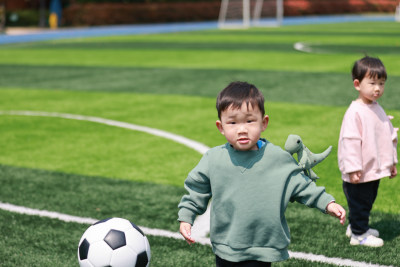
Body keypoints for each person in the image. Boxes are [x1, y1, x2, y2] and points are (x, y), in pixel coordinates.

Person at [178, 81, 346, 266]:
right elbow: (196, 190)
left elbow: (302, 185)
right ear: (221, 127)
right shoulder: (213, 159)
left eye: (249, 121)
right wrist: (186, 217)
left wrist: (327, 203)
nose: (242, 129)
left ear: (263, 122)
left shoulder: (277, 158)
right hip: (226, 245)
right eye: (232, 122)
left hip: (263, 247)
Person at [338, 56, 398, 247]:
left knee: (367, 200)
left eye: (381, 83)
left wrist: (392, 162)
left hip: (373, 169)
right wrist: (353, 167)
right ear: (357, 84)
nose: (377, 88)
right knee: (360, 202)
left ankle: (355, 225)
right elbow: (350, 141)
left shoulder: (376, 108)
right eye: (372, 83)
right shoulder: (355, 111)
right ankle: (359, 234)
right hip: (360, 171)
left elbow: (388, 137)